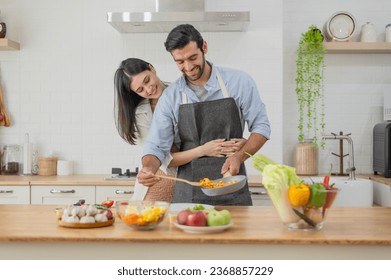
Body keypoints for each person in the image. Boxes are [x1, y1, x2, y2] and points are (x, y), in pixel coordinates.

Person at [137, 24, 271, 206]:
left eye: (193, 57)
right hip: (188, 192)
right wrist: (148, 168)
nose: (189, 66)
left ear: (204, 47)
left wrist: (239, 156)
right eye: (180, 61)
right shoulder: (170, 97)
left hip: (232, 183)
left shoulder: (239, 81)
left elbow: (261, 127)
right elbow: (156, 146)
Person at [114, 58, 244, 202]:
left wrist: (238, 142)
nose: (149, 89)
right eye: (140, 90)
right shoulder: (141, 116)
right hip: (160, 184)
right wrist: (203, 150)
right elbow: (165, 160)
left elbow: (208, 132)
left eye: (147, 80)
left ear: (152, 68)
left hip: (195, 177)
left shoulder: (184, 92)